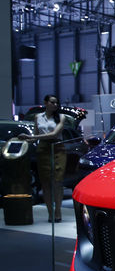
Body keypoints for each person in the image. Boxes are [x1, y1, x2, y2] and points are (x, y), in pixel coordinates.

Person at [18, 94, 66, 222]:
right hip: (43, 149)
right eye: (52, 102)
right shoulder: (37, 117)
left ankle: (58, 212)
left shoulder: (61, 117)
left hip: (58, 148)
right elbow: (35, 135)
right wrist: (25, 140)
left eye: (56, 103)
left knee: (57, 182)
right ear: (46, 103)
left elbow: (55, 134)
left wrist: (32, 138)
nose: (55, 105)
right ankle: (50, 213)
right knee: (45, 183)